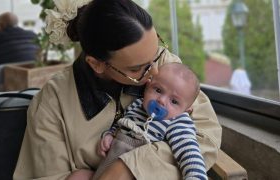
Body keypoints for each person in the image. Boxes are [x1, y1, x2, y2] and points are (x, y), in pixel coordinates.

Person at [14, 0, 222, 179]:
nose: (155, 71)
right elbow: (48, 176)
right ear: (97, 64)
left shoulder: (169, 71)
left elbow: (206, 136)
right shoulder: (53, 100)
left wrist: (128, 168)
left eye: (156, 52)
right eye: (136, 69)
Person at [92, 63, 207, 180]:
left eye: (174, 101)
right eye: (158, 90)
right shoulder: (137, 105)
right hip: (106, 167)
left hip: (137, 172)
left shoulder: (177, 122)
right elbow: (120, 124)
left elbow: (190, 153)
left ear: (186, 110)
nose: (161, 101)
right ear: (147, 86)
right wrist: (110, 135)